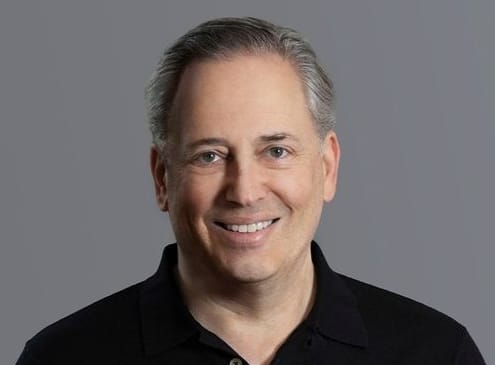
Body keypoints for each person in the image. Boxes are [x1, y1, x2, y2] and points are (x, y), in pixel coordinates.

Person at [17, 17, 485, 365]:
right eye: (209, 155)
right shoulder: (62, 357)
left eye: (277, 151)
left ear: (327, 166)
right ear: (162, 177)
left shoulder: (438, 353)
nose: (244, 191)